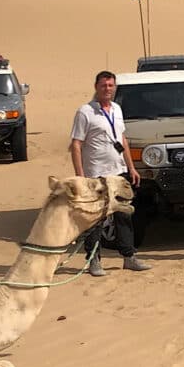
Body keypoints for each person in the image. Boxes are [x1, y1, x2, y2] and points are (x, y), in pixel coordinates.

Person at [69, 71, 151, 276]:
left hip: (119, 173)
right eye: (104, 85)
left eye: (111, 85)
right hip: (95, 175)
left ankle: (129, 257)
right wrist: (80, 177)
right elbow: (76, 145)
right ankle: (94, 260)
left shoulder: (116, 109)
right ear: (96, 87)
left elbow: (122, 140)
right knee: (95, 219)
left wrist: (131, 167)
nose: (107, 89)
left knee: (124, 215)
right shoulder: (85, 112)